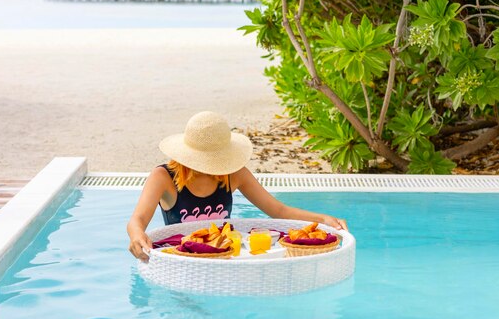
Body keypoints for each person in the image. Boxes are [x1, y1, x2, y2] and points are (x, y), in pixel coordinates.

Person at [127, 111, 347, 262]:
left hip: (225, 258)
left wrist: (323, 220)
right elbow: (137, 220)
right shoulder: (163, 177)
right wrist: (137, 235)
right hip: (183, 259)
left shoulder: (233, 174)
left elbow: (278, 211)